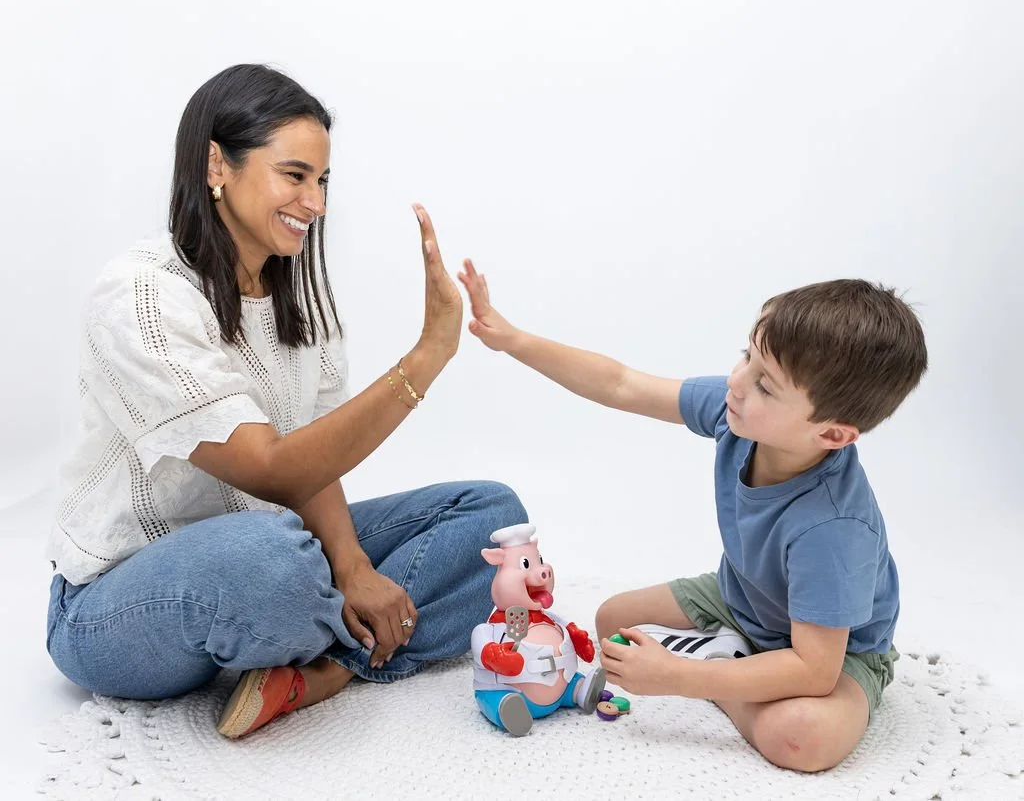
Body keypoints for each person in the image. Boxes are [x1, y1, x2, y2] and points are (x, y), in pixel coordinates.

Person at [44, 63, 527, 740]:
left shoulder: (303, 310)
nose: (317, 202)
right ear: (218, 164)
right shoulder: (141, 294)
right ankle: (339, 641)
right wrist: (425, 358)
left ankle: (322, 666)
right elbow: (272, 467)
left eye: (322, 181)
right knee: (276, 558)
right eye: (295, 176)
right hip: (115, 607)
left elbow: (311, 464)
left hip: (268, 548)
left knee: (493, 520)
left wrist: (355, 565)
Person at [458, 259, 927, 772]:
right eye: (746, 355)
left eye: (766, 384)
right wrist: (512, 339)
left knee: (800, 738)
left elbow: (815, 671)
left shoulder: (833, 529)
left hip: (835, 654)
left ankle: (720, 669)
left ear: (833, 434)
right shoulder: (740, 414)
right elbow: (620, 384)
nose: (737, 381)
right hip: (742, 597)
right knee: (614, 620)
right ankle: (736, 662)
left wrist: (680, 676)